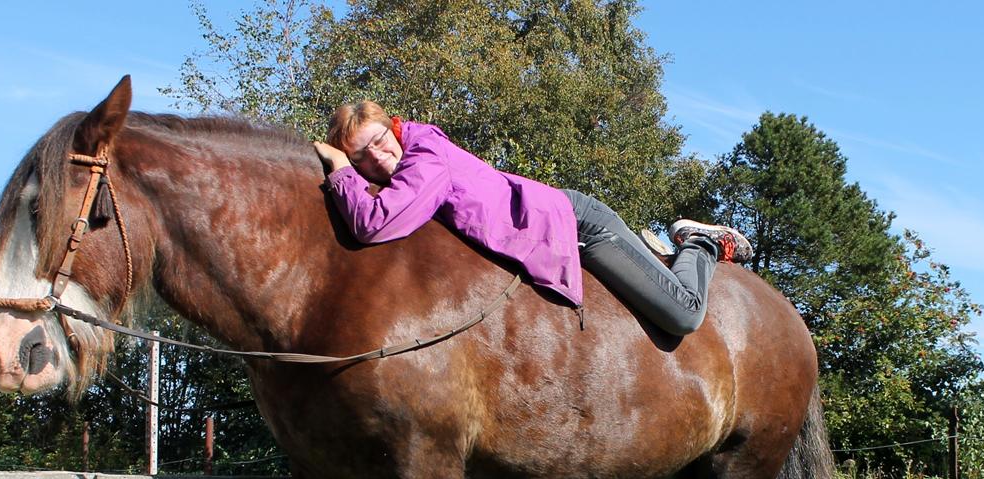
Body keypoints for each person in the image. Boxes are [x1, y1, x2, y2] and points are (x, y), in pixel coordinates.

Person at [313, 102, 753, 336]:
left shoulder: (424, 155)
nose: (375, 155)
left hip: (580, 225)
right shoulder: (409, 163)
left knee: (683, 315)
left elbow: (375, 223)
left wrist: (342, 170)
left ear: (392, 128)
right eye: (360, 155)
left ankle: (700, 243)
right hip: (560, 225)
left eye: (376, 141)